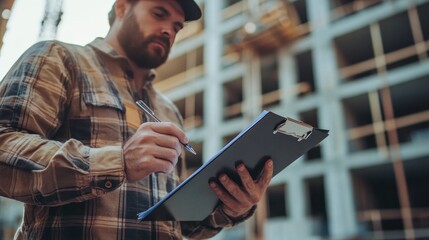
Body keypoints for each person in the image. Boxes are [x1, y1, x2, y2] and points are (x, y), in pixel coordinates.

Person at [0, 0, 274, 239]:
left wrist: (230, 207)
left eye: (177, 26)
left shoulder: (168, 111)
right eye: (159, 13)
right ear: (122, 6)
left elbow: (180, 225)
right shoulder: (59, 58)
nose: (169, 30)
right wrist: (118, 162)